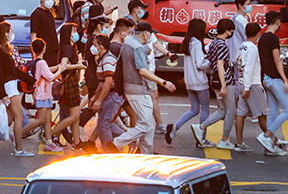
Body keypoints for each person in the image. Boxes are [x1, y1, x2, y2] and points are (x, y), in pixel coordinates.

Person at [113, 22, 175, 155]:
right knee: (146, 124)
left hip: (130, 88)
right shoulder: (137, 47)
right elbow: (142, 70)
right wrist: (164, 82)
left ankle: (145, 153)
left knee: (148, 125)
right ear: (146, 33)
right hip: (138, 90)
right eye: (150, 34)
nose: (151, 36)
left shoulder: (129, 44)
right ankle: (117, 142)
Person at [235, 22, 283, 155]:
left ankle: (239, 143)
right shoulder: (252, 49)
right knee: (262, 115)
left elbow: (238, 64)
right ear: (258, 34)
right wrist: (247, 87)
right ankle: (271, 141)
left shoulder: (241, 46)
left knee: (240, 114)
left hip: (241, 82)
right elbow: (249, 68)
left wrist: (243, 85)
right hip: (253, 84)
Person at [0, 21, 36, 156]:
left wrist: (31, 80)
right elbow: (0, 74)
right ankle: (19, 149)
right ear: (4, 34)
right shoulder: (0, 51)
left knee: (9, 119)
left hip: (10, 84)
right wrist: (2, 94)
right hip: (9, 86)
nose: (12, 34)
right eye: (10, 31)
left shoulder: (6, 49)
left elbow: (14, 71)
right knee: (19, 117)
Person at [196, 19, 237, 149]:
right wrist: (224, 85)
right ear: (227, 31)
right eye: (231, 30)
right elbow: (220, 65)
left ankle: (201, 127)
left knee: (222, 110)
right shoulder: (222, 45)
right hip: (225, 81)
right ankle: (224, 139)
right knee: (231, 111)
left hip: (214, 80)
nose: (231, 33)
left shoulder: (213, 43)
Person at [168, 19, 210, 143]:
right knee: (205, 109)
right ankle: (202, 138)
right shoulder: (197, 43)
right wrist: (211, 61)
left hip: (189, 81)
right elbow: (200, 64)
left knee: (194, 109)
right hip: (200, 81)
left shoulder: (187, 42)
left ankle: (175, 127)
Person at [258, 11, 288, 151]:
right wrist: (285, 80)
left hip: (266, 78)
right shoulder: (273, 38)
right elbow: (277, 61)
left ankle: (270, 145)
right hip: (274, 79)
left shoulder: (262, 38)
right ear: (278, 22)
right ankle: (267, 136)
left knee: (273, 112)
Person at [50, 22, 86, 148]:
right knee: (74, 116)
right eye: (73, 31)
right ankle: (50, 134)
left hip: (72, 83)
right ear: (68, 34)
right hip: (69, 83)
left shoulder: (71, 47)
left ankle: (76, 141)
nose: (76, 33)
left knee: (75, 116)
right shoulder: (68, 48)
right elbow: (63, 65)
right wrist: (78, 66)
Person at [89, 34, 123, 152]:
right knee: (103, 124)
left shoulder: (108, 59)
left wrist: (98, 101)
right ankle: (125, 139)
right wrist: (95, 97)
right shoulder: (102, 59)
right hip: (109, 96)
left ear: (101, 47)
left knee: (104, 124)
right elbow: (102, 83)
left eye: (94, 45)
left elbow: (108, 82)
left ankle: (110, 151)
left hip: (112, 96)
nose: (92, 48)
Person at [30, 0, 60, 66]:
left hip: (53, 50)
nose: (50, 1)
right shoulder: (37, 14)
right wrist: (34, 51)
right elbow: (33, 34)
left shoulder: (50, 13)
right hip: (44, 51)